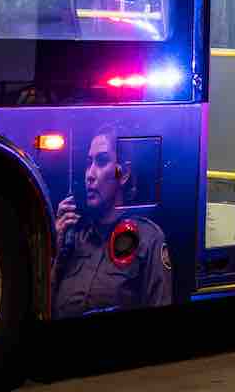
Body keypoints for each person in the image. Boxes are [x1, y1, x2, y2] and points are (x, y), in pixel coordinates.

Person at [52, 125, 173, 318]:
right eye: (88, 163)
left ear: (122, 174)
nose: (89, 175)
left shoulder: (147, 238)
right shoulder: (75, 237)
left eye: (101, 162)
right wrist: (54, 248)